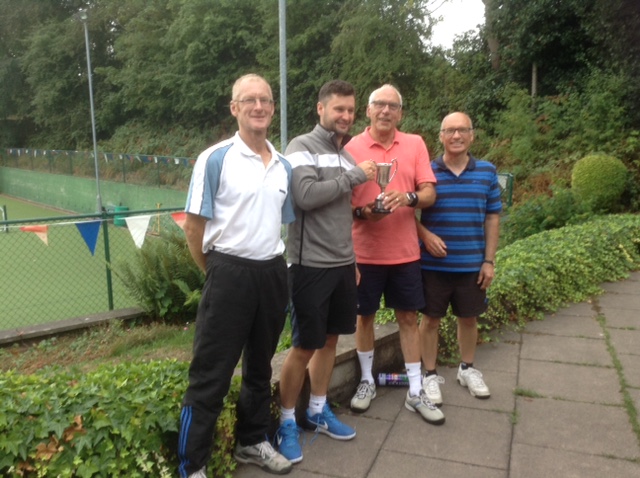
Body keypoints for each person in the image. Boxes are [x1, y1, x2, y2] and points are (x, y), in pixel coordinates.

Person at [177, 74, 295, 477]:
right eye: (249, 100)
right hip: (228, 272)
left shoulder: (283, 166)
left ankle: (252, 442)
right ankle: (192, 466)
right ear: (235, 108)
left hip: (272, 273)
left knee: (260, 367)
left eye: (265, 100)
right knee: (211, 373)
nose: (258, 106)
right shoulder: (215, 158)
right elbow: (194, 228)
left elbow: (280, 223)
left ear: (273, 108)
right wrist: (217, 274)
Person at [274, 80, 377, 464]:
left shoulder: (346, 155)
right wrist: (355, 177)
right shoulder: (300, 147)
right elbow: (306, 197)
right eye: (339, 110)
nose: (346, 117)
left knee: (331, 341)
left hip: (340, 265)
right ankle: (287, 421)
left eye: (350, 111)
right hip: (307, 266)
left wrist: (352, 262)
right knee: (303, 346)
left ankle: (317, 410)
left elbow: (341, 214)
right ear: (321, 109)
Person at [345, 84, 444, 425]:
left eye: (392, 106)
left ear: (400, 113)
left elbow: (429, 192)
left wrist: (410, 199)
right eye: (379, 105)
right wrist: (364, 213)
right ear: (368, 111)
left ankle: (415, 390)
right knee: (364, 318)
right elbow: (342, 202)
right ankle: (366, 381)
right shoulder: (350, 146)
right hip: (364, 252)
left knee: (407, 319)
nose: (385, 111)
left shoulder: (414, 143)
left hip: (404, 253)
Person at [417, 111, 501, 406]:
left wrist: (488, 260)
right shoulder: (426, 171)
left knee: (469, 319)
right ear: (440, 136)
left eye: (462, 130)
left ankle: (467, 369)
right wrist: (425, 235)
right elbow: (408, 213)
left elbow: (493, 217)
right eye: (450, 130)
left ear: (472, 135)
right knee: (429, 320)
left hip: (471, 263)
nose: (456, 136)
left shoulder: (487, 172)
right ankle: (428, 374)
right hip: (432, 264)